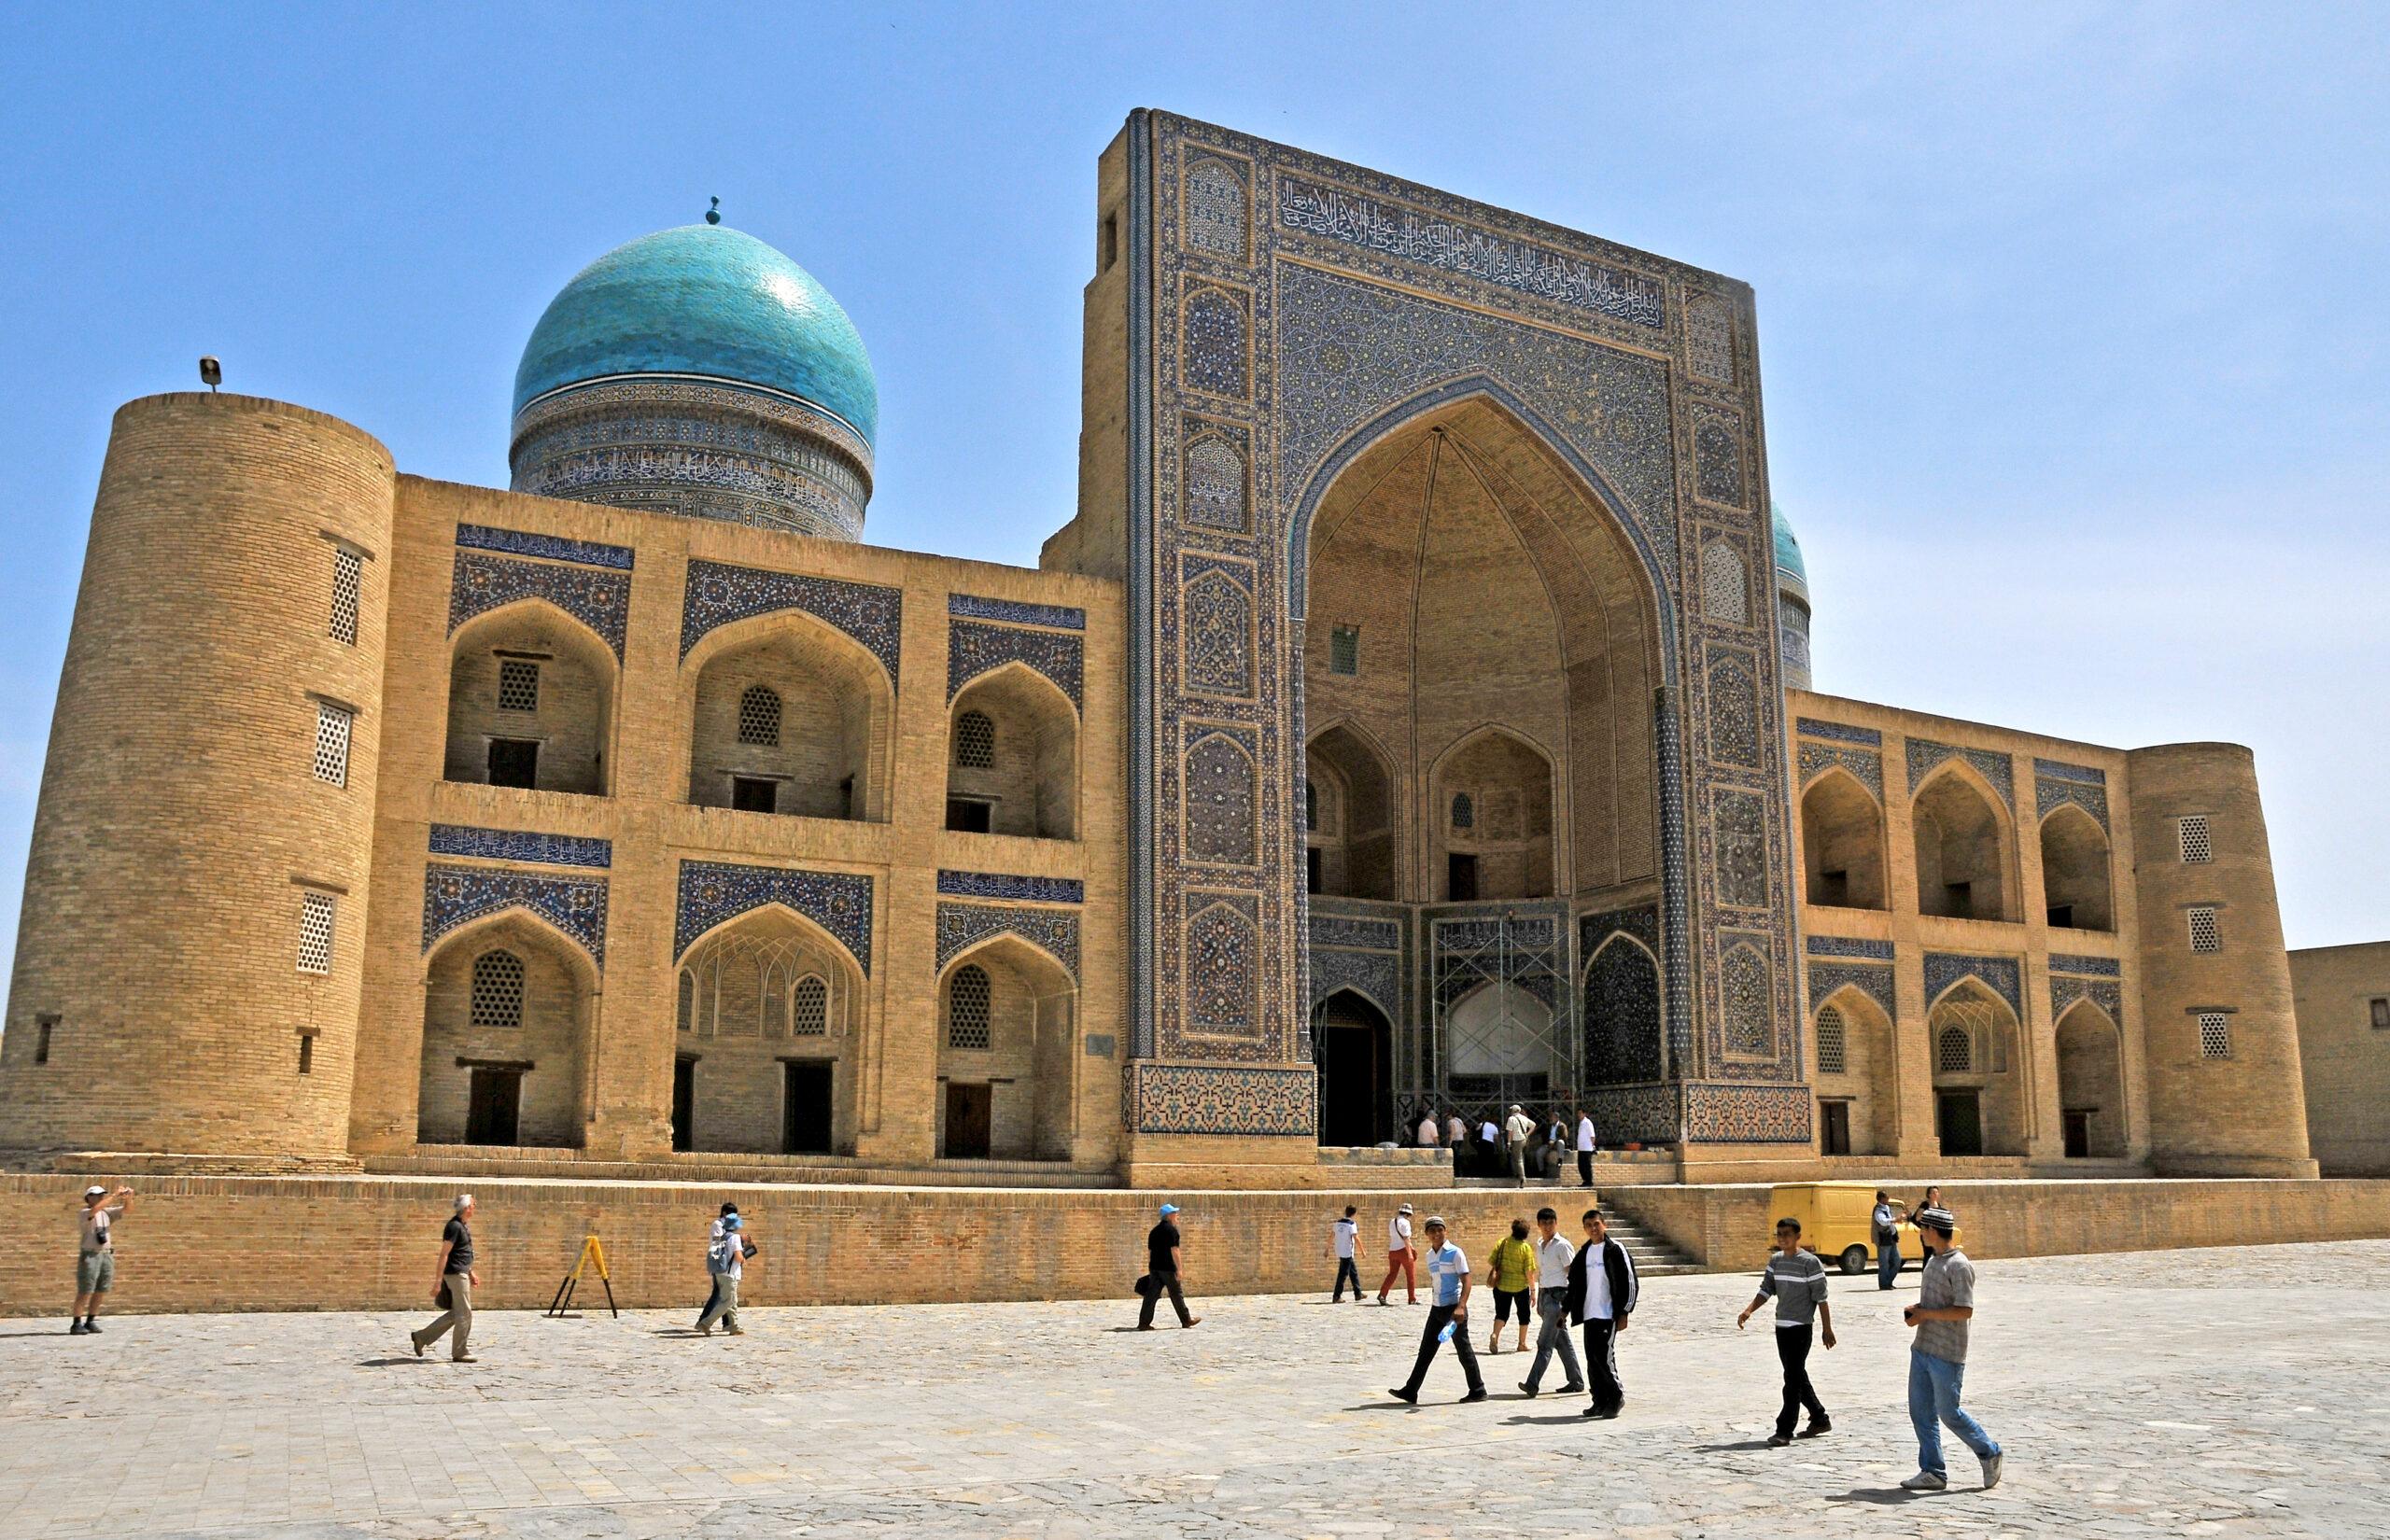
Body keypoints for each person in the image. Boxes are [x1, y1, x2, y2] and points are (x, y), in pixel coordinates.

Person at [1901, 1206, 2003, 1491]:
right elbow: (1937, 1304)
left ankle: (1989, 1450)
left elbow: (1964, 1310)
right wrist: (1917, 1310)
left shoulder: (1959, 1265)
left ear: (1933, 1230)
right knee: (1921, 1411)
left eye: (1923, 1228)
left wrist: (1926, 1315)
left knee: (1949, 1413)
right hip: (1923, 1347)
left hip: (1948, 1352)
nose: (1921, 1233)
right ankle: (1933, 1470)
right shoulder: (1933, 1262)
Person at [1737, 1216, 1835, 1445]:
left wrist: (1827, 1329)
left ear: (1798, 1237)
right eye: (1779, 1234)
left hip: (1801, 1328)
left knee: (1791, 1379)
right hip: (1782, 1328)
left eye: (1787, 1234)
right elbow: (1766, 1290)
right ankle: (1820, 1418)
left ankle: (1784, 1430)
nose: (1782, 1239)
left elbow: (1821, 1299)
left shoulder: (1810, 1263)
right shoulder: (1776, 1261)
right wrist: (1749, 1310)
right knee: (1797, 1375)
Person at [1387, 1216, 1486, 1405]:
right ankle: (1411, 1390)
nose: (1437, 1234)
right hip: (1437, 1309)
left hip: (1454, 1310)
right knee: (1425, 1351)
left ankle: (1478, 1389)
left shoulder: (1456, 1253)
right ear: (1427, 1235)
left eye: (1440, 1230)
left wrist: (1461, 1306)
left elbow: (1467, 1280)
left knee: (1463, 1351)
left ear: (1445, 1231)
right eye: (1432, 1231)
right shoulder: (1429, 1256)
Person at [1563, 1206, 1638, 1418]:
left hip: (1608, 1314)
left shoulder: (1615, 1250)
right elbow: (1574, 1285)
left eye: (1596, 1224)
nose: (1593, 1228)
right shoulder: (1584, 1253)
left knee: (1604, 1358)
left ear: (1604, 1224)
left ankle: (1616, 1396)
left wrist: (1624, 1312)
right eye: (1589, 1226)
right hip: (1589, 1314)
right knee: (1592, 1359)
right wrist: (1565, 1310)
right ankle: (1599, 1400)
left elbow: (1630, 1281)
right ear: (1584, 1229)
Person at [1516, 1206, 1585, 1398]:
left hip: (1558, 1298)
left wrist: (1569, 1302)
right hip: (1546, 1296)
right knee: (1561, 1341)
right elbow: (1543, 1272)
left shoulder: (1562, 1245)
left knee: (1544, 1343)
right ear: (1538, 1225)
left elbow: (1573, 1273)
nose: (1547, 1226)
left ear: (1556, 1223)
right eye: (1543, 1223)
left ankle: (1533, 1383)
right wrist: (1538, 1296)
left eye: (1550, 1222)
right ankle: (1576, 1380)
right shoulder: (1540, 1245)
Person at [409, 1194, 480, 1363]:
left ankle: (421, 1337)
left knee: (459, 1313)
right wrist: (437, 1282)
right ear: (467, 1208)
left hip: (461, 1272)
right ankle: (460, 1351)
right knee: (465, 1313)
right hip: (455, 1274)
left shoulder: (462, 1226)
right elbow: (444, 1255)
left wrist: (471, 1272)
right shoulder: (454, 1226)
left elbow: (461, 1254)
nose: (475, 1207)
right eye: (474, 1204)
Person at [70, 1183, 134, 1335]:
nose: (100, 1197)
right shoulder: (85, 1213)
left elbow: (127, 1210)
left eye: (101, 1195)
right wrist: (114, 1195)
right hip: (91, 1254)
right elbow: (95, 1210)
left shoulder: (106, 1213)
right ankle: (76, 1323)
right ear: (88, 1198)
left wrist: (128, 1198)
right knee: (85, 1290)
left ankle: (91, 1320)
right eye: (96, 1195)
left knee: (101, 1289)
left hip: (105, 1254)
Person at [1137, 1202, 1201, 1329]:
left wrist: (1151, 1268)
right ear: (1169, 1215)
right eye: (1175, 1213)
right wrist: (1179, 1269)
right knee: (1176, 1294)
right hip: (1168, 1268)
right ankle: (1186, 1320)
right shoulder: (1172, 1231)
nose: (1177, 1215)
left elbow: (1150, 1252)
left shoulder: (1154, 1231)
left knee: (1151, 1295)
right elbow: (1175, 1250)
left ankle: (1144, 1323)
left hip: (1155, 1268)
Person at [696, 1204, 756, 1336]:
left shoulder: (726, 1235)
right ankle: (705, 1322)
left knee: (731, 1300)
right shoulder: (730, 1235)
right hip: (728, 1272)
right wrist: (742, 1253)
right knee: (726, 1300)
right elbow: (738, 1256)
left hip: (723, 1272)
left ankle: (732, 1326)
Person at [1484, 1217, 1537, 1353]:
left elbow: (1492, 1261)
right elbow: (1529, 1272)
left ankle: (1495, 1335)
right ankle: (1522, 1343)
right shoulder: (1526, 1248)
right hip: (1520, 1287)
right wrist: (1533, 1290)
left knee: (1501, 1313)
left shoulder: (1502, 1242)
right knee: (1524, 1314)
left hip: (1501, 1285)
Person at [1377, 1201, 1418, 1305]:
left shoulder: (1392, 1221)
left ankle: (1382, 1294)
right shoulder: (1405, 1222)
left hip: (1392, 1250)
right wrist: (1410, 1253)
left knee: (1392, 1274)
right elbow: (1406, 1239)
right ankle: (1412, 1298)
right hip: (1403, 1250)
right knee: (1410, 1275)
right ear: (1408, 1214)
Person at [1329, 1205, 1363, 1303]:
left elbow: (1331, 1236)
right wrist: (1362, 1250)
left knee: (1353, 1272)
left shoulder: (1338, 1223)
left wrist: (1327, 1248)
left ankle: (1358, 1293)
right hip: (1347, 1251)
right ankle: (1336, 1296)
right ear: (1354, 1213)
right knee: (1342, 1274)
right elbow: (1356, 1238)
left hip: (1340, 1250)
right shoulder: (1351, 1224)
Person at [1872, 1190, 1905, 1290]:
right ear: (1881, 1199)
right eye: (1886, 1198)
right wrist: (1895, 1220)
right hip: (1883, 1239)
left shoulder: (1887, 1208)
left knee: (1897, 1261)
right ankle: (1884, 1284)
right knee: (1884, 1263)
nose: (1888, 1199)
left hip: (1891, 1237)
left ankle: (1888, 1281)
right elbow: (1883, 1222)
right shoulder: (1878, 1210)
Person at [1503, 1103, 1537, 1187]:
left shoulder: (1511, 1119)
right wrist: (1527, 1134)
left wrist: (1509, 1143)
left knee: (1518, 1159)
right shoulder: (1523, 1117)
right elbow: (1533, 1125)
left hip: (1517, 1140)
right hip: (1524, 1139)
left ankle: (1522, 1178)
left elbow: (1510, 1132)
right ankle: (1518, 1174)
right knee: (1520, 1157)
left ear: (1513, 1111)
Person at [1574, 1110, 1597, 1188]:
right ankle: (1585, 1181)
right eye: (1578, 1113)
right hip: (1581, 1148)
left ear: (1584, 1114)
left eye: (1580, 1113)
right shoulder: (1581, 1123)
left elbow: (1592, 1135)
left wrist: (1592, 1146)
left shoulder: (1587, 1122)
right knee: (1581, 1166)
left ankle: (1589, 1181)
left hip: (1587, 1148)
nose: (1579, 1115)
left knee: (1587, 1166)